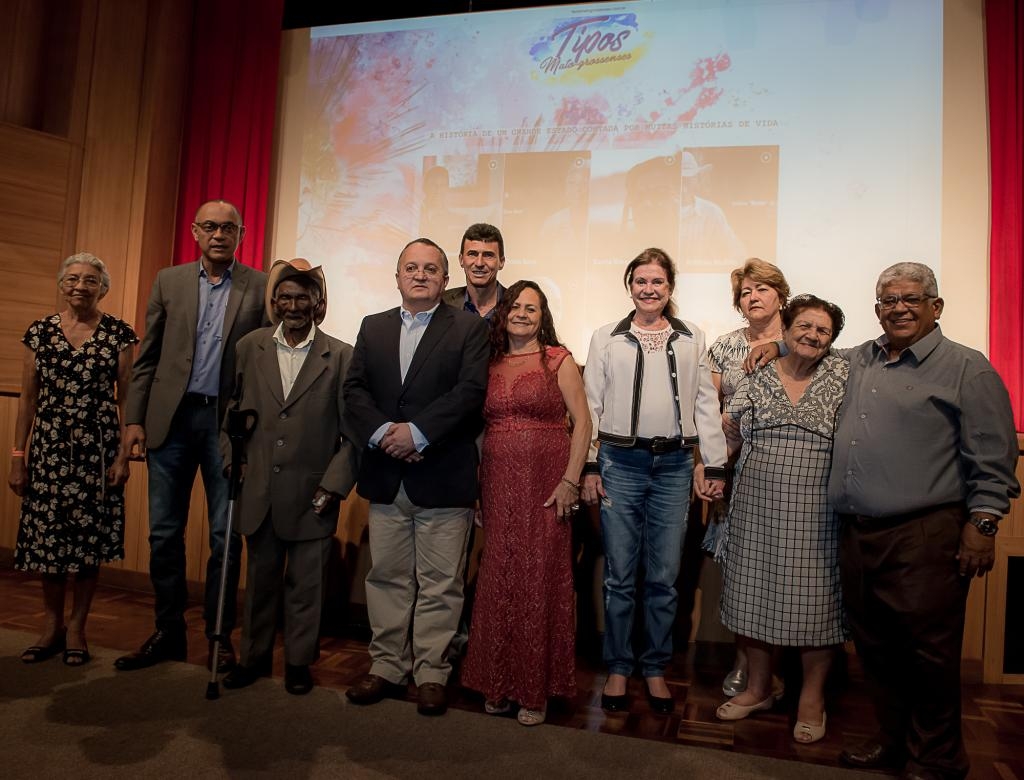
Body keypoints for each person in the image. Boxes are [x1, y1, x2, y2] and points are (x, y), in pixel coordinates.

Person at [747, 262, 1020, 778]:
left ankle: (938, 759)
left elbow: (994, 456)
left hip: (926, 534)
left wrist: (983, 526)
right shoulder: (857, 360)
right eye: (887, 300)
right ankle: (893, 742)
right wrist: (778, 346)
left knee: (929, 656)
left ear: (935, 307)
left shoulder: (968, 368)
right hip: (857, 533)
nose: (898, 308)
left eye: (911, 299)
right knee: (876, 650)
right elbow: (809, 346)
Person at [115, 199, 268, 673]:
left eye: (228, 228)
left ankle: (219, 635)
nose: (219, 234)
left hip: (227, 426)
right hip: (171, 421)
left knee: (225, 536)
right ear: (195, 232)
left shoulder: (260, 287)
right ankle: (168, 630)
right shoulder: (169, 280)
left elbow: (264, 364)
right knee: (164, 533)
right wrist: (134, 420)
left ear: (241, 235)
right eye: (210, 227)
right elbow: (148, 357)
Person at [343, 237, 489, 716]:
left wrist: (419, 433)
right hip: (386, 473)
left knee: (441, 582)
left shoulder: (468, 328)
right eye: (412, 267)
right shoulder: (373, 326)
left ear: (446, 279)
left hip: (442, 473)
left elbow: (470, 392)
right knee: (386, 577)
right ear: (398, 275)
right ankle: (386, 666)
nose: (421, 274)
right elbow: (355, 390)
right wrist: (387, 432)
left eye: (431, 268)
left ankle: (431, 671)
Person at [581, 247, 728, 715]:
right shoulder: (606, 337)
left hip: (673, 468)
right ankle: (620, 667)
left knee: (664, 579)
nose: (649, 289)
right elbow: (591, 405)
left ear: (669, 289)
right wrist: (588, 463)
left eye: (658, 283)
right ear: (630, 286)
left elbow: (705, 403)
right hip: (620, 464)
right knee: (621, 577)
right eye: (641, 281)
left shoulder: (691, 338)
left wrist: (717, 463)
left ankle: (656, 667)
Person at [713, 294, 849, 745]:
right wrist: (708, 467)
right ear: (786, 330)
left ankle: (811, 699)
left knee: (817, 607)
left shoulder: (843, 375)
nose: (812, 335)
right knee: (751, 597)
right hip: (753, 507)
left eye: (822, 331)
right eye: (804, 327)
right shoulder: (757, 374)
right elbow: (729, 434)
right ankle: (758, 688)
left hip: (817, 514)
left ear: (832, 341)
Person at [219, 258, 358, 696]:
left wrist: (332, 487)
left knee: (306, 587)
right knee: (259, 584)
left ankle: (299, 663)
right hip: (258, 490)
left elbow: (351, 435)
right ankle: (253, 658)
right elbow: (227, 415)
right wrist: (231, 460)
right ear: (275, 302)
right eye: (286, 297)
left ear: (317, 304)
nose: (293, 305)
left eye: (303, 297)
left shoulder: (341, 356)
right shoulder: (249, 347)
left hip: (312, 495)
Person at [459, 280, 592, 726]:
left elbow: (584, 422)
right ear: (503, 312)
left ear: (543, 316)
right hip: (498, 482)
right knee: (498, 574)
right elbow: (477, 432)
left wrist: (571, 481)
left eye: (531, 309)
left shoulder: (558, 359)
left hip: (547, 482)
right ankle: (497, 681)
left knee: (539, 578)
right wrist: (478, 490)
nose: (521, 314)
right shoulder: (489, 362)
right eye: (515, 306)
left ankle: (535, 691)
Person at [9, 253, 137, 667]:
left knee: (87, 547)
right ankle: (51, 626)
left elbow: (126, 399)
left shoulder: (118, 333)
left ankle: (78, 628)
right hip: (47, 452)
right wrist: (17, 456)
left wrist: (123, 456)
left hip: (96, 455)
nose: (81, 285)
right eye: (73, 278)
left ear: (103, 287)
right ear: (62, 284)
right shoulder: (40, 333)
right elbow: (28, 399)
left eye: (91, 280)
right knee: (48, 545)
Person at [706, 258, 790, 698]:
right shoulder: (723, 347)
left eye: (761, 289)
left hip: (790, 473)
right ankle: (745, 662)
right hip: (734, 472)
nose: (753, 297)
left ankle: (776, 669)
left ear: (781, 294)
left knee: (785, 569)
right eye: (745, 292)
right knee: (742, 570)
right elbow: (708, 410)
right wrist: (715, 464)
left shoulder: (804, 341)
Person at [677, 150, 745, 267]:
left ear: (696, 180)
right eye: (679, 181)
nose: (683, 188)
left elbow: (735, 251)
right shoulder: (657, 212)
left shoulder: (711, 212)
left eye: (688, 180)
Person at [442, 222, 506, 320]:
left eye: (488, 255)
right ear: (461, 260)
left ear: (501, 262)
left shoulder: (516, 303)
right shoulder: (441, 303)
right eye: (472, 254)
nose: (479, 263)